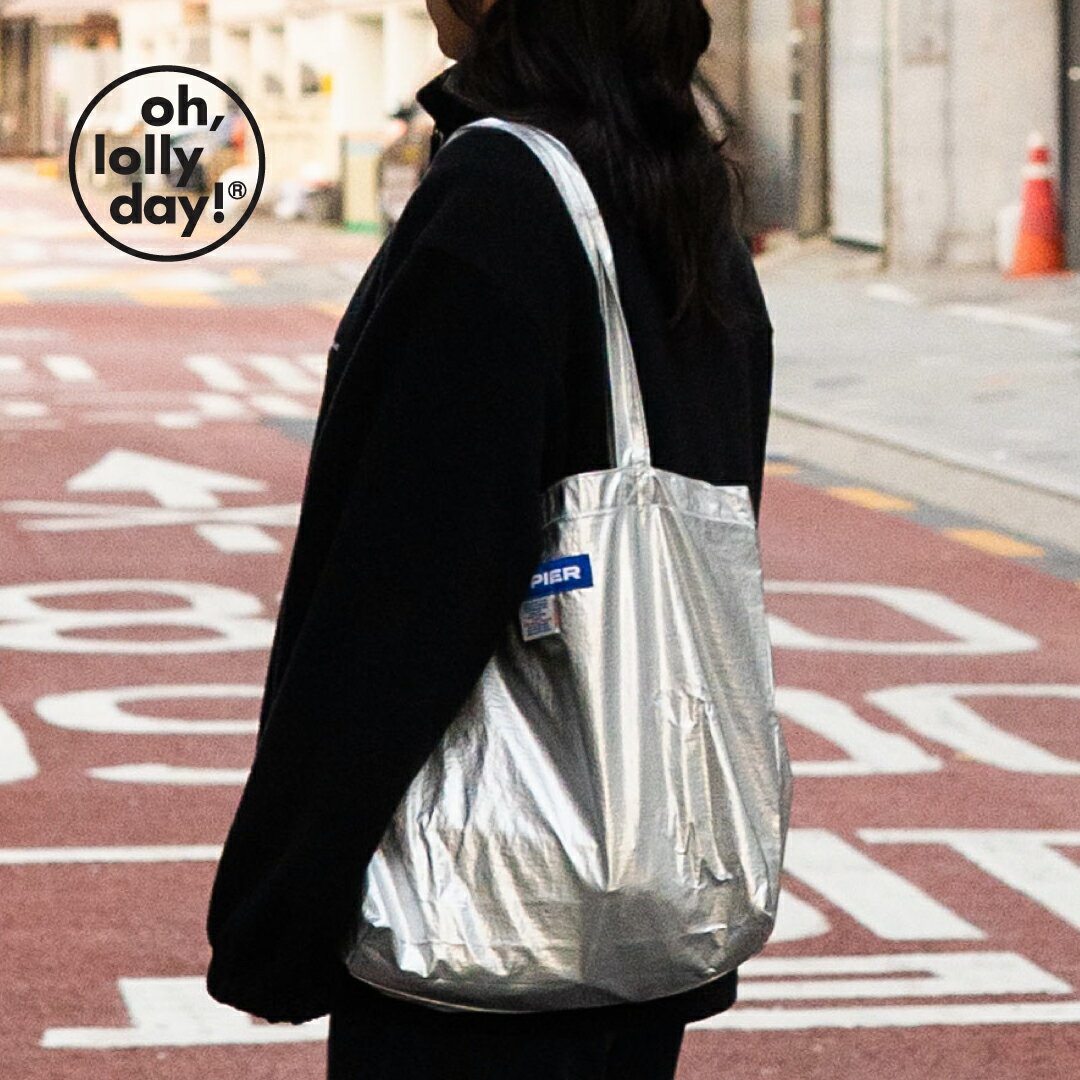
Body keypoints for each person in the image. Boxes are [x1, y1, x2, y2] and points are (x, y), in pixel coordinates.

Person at [204, 0, 775, 1076]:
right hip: (645, 874)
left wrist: (283, 896)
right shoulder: (680, 185)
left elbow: (404, 589)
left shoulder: (498, 192)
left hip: (482, 898)